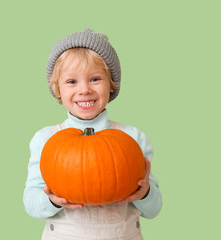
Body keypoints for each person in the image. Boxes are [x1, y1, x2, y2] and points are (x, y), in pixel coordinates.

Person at [23, 28, 162, 240]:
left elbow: (154, 209)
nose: (84, 89)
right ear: (58, 88)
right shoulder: (46, 139)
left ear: (111, 85)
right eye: (72, 81)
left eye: (95, 79)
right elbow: (31, 204)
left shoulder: (133, 137)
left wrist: (145, 193)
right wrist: (51, 200)